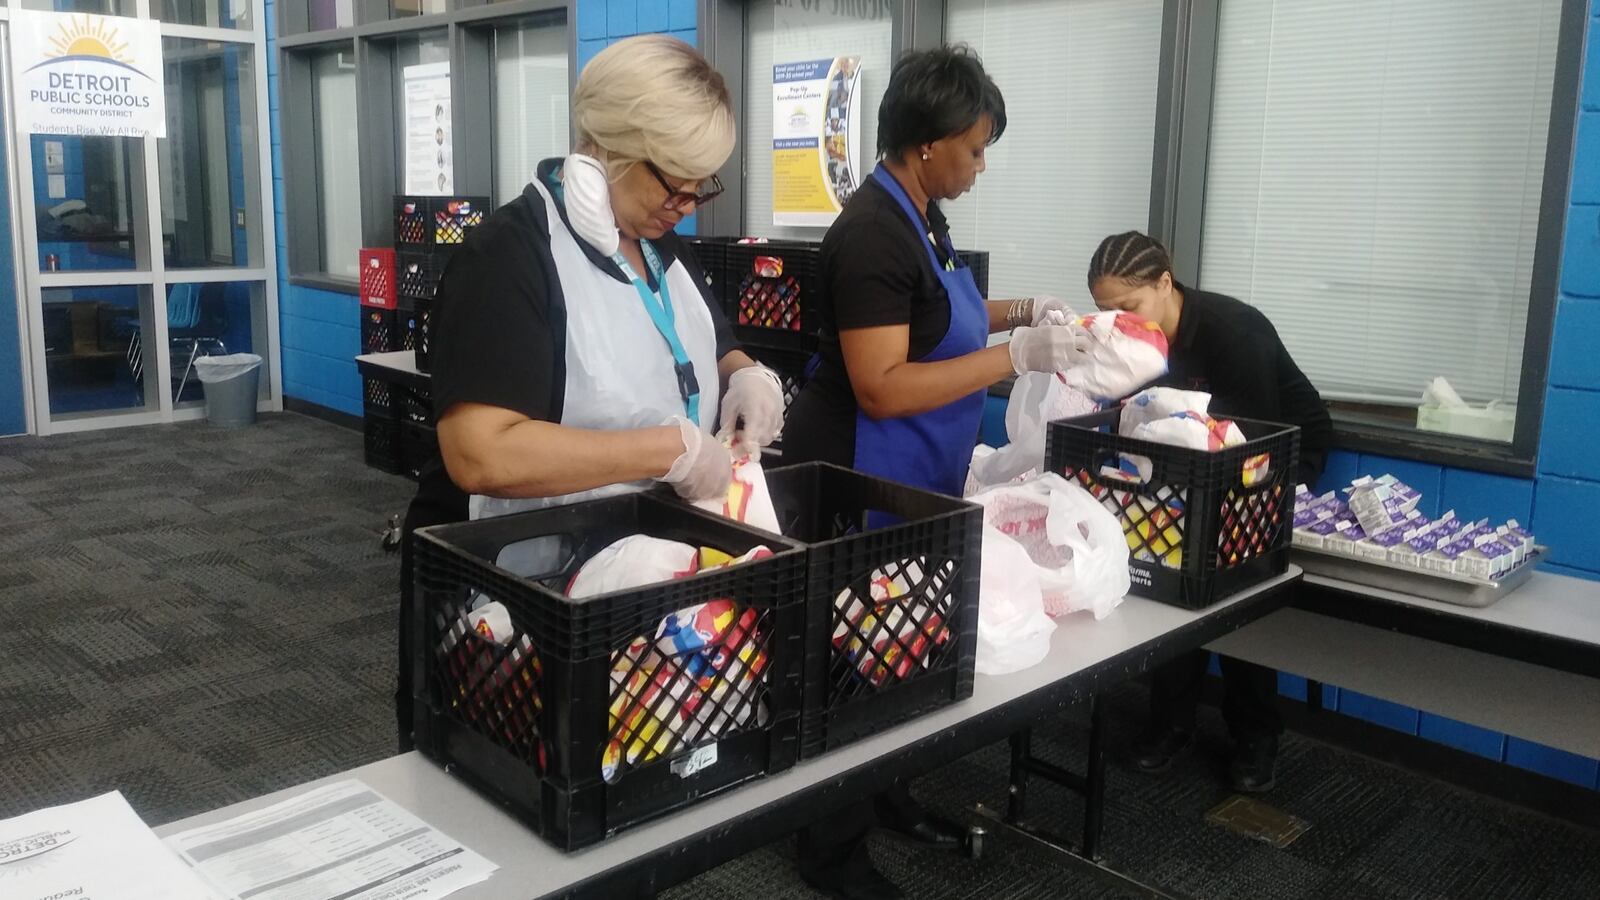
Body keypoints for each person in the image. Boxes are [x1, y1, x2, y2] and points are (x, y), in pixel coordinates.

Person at [395, 35, 786, 752]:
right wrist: (666, 450)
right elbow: (481, 454)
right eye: (675, 182)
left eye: (704, 185)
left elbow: (698, 341)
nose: (689, 205)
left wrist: (745, 376)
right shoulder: (509, 258)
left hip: (631, 585)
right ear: (605, 146)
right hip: (515, 593)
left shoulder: (660, 245)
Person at [782, 45, 1089, 900]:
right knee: (846, 649)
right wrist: (1010, 357)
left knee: (900, 640)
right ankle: (829, 851)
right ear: (926, 144)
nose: (982, 165)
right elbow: (882, 387)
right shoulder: (871, 232)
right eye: (976, 148)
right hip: (855, 465)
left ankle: (883, 792)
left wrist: (1023, 312)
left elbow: (938, 312)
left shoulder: (920, 214)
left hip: (913, 467)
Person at [1086, 230, 1333, 793]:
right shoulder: (1131, 342)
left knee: (1236, 583)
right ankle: (1172, 724)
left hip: (1274, 452)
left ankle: (1257, 735)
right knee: (1173, 581)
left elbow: (1253, 449)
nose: (1118, 323)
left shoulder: (1232, 333)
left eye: (1128, 307)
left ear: (1165, 283)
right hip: (1191, 462)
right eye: (1105, 312)